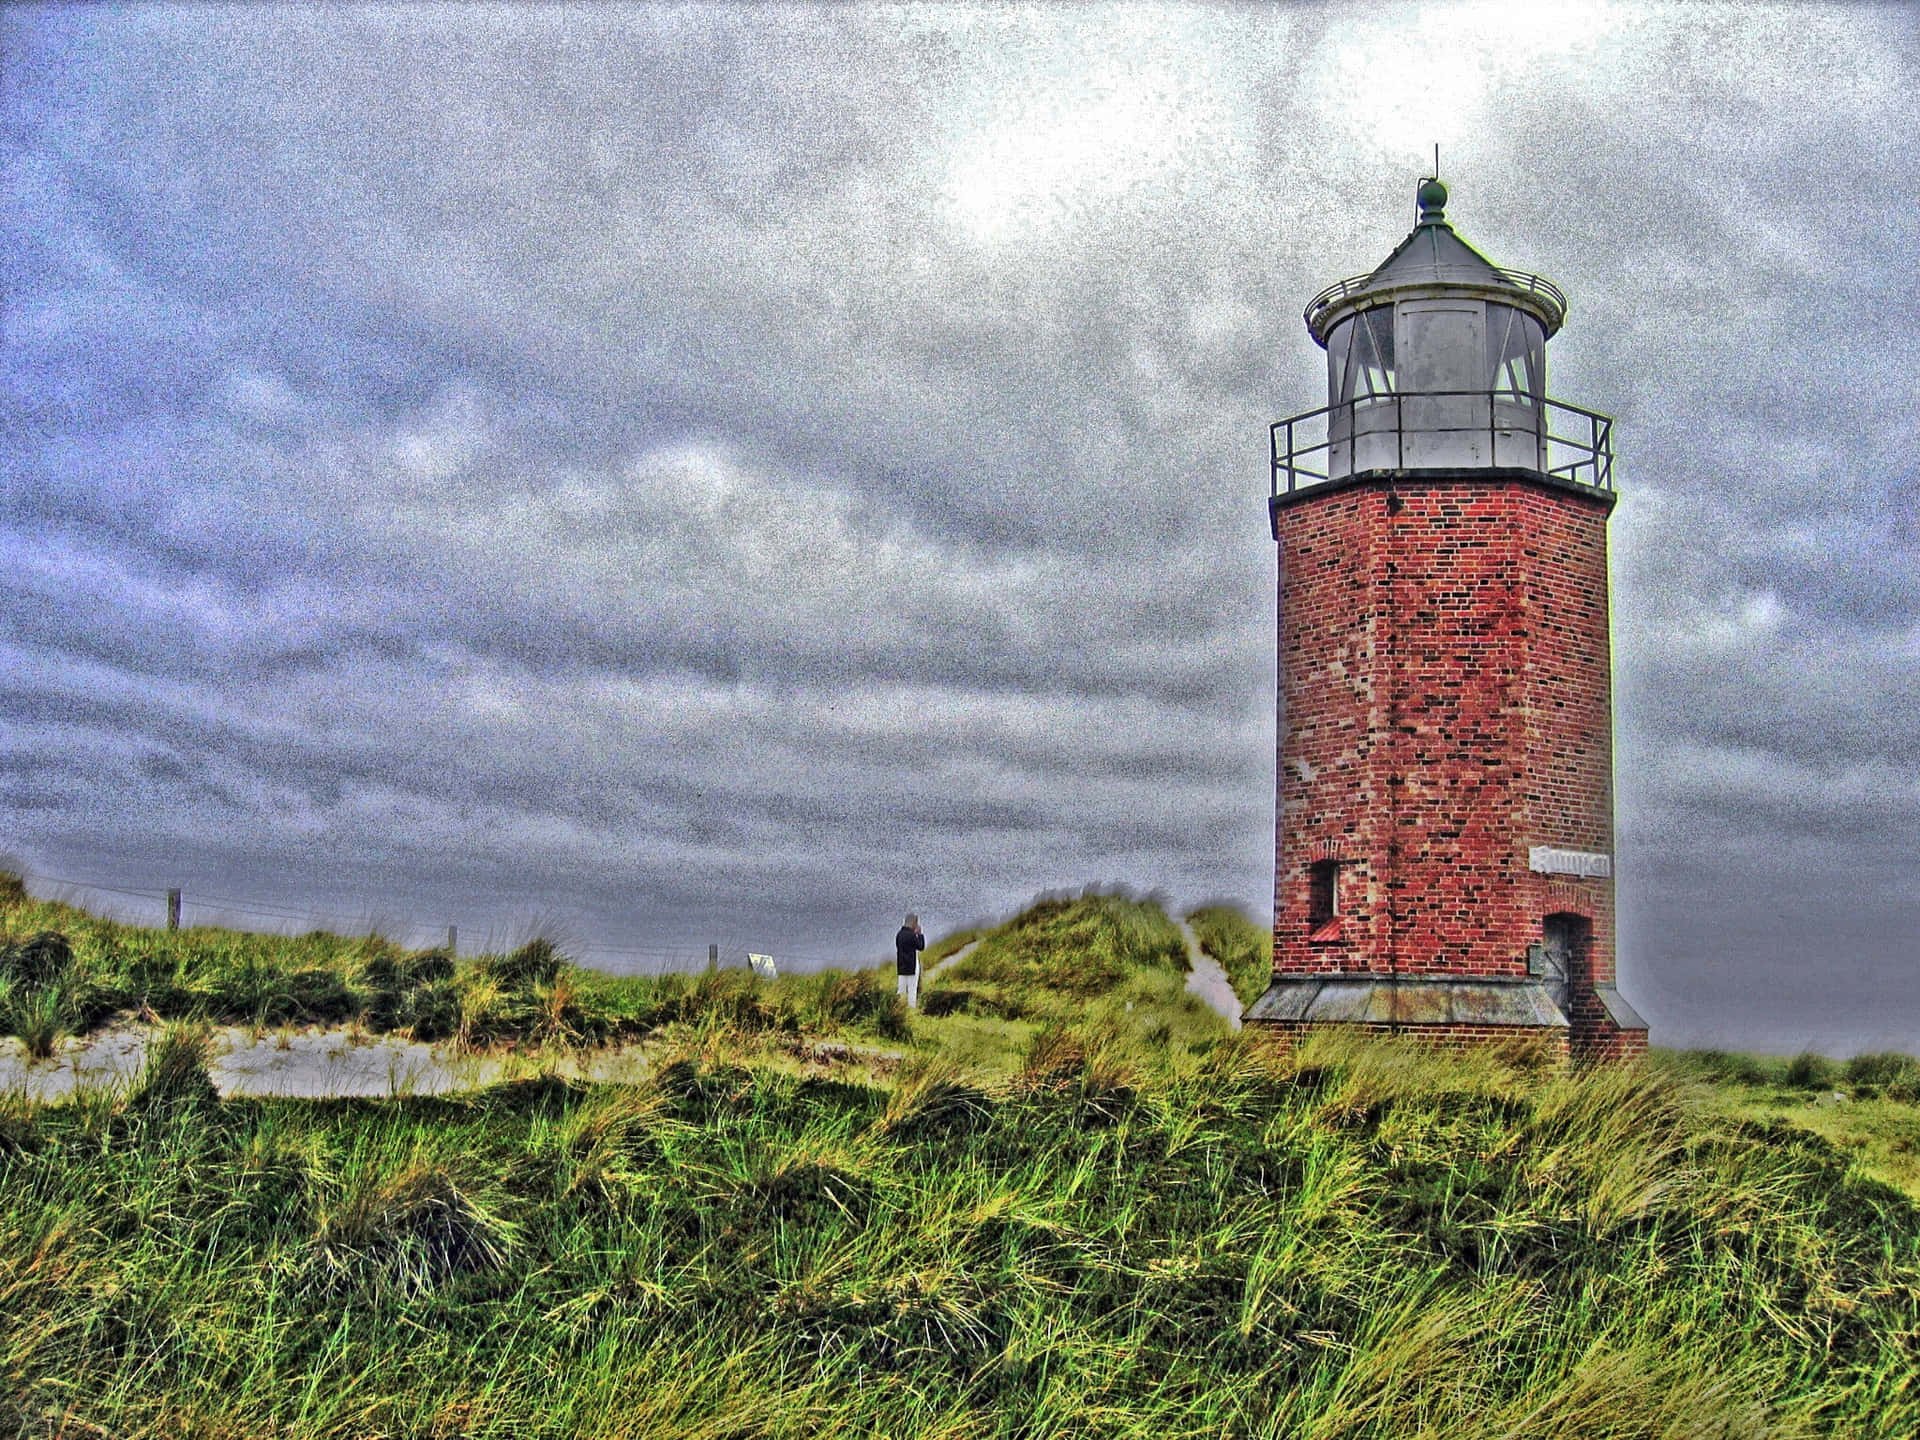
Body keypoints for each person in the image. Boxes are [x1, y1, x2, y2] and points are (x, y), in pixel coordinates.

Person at [894, 912, 925, 1009]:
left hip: (901, 966)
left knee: (901, 989)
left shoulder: (899, 935)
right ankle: (912, 1010)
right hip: (912, 966)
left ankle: (899, 1008)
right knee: (912, 990)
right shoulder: (912, 935)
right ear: (913, 923)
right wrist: (920, 935)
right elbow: (920, 947)